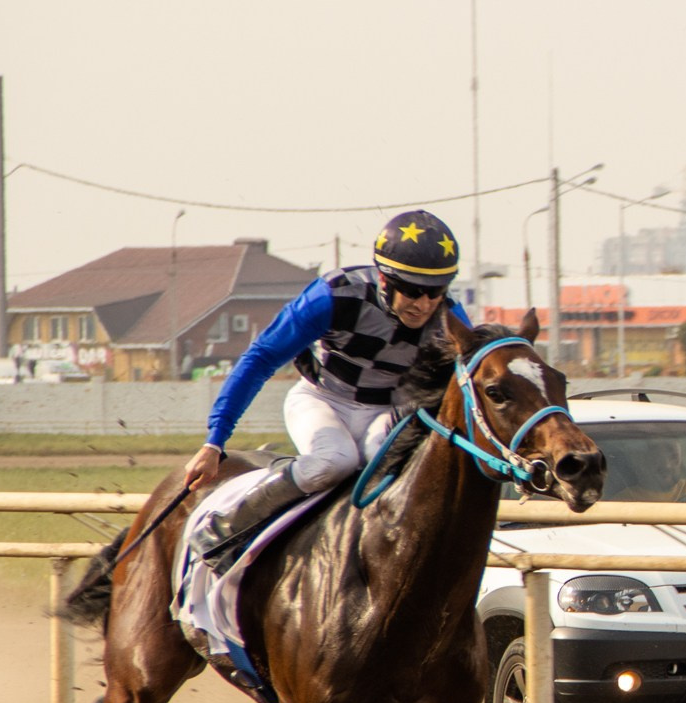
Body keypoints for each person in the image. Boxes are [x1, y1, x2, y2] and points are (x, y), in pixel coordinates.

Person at [182, 209, 473, 571]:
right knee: (335, 462)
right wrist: (215, 441)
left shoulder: (450, 321)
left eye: (435, 293)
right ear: (384, 278)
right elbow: (261, 358)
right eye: (413, 291)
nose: (424, 305)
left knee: (390, 468)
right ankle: (229, 525)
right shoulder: (333, 295)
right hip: (321, 400)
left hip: (387, 412)